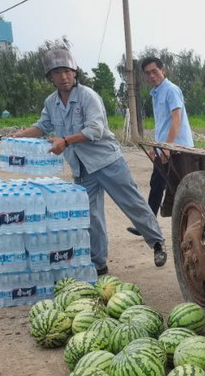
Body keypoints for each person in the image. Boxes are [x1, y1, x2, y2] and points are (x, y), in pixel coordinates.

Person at [14, 47, 167, 276]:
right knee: (91, 217)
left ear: (74, 72)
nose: (63, 77)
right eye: (57, 73)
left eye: (67, 71)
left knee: (132, 203)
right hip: (82, 169)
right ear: (50, 77)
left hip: (107, 161)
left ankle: (157, 243)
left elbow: (95, 129)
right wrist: (16, 137)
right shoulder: (51, 102)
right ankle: (99, 264)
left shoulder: (88, 96)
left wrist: (65, 141)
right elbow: (42, 126)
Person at [127, 56, 194, 236]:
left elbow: (176, 120)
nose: (152, 76)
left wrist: (167, 148)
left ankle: (193, 229)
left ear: (163, 71)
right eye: (148, 73)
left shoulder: (171, 90)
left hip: (178, 149)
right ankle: (148, 226)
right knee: (157, 184)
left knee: (181, 188)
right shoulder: (156, 93)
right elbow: (162, 123)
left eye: (155, 71)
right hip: (165, 148)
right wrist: (155, 147)